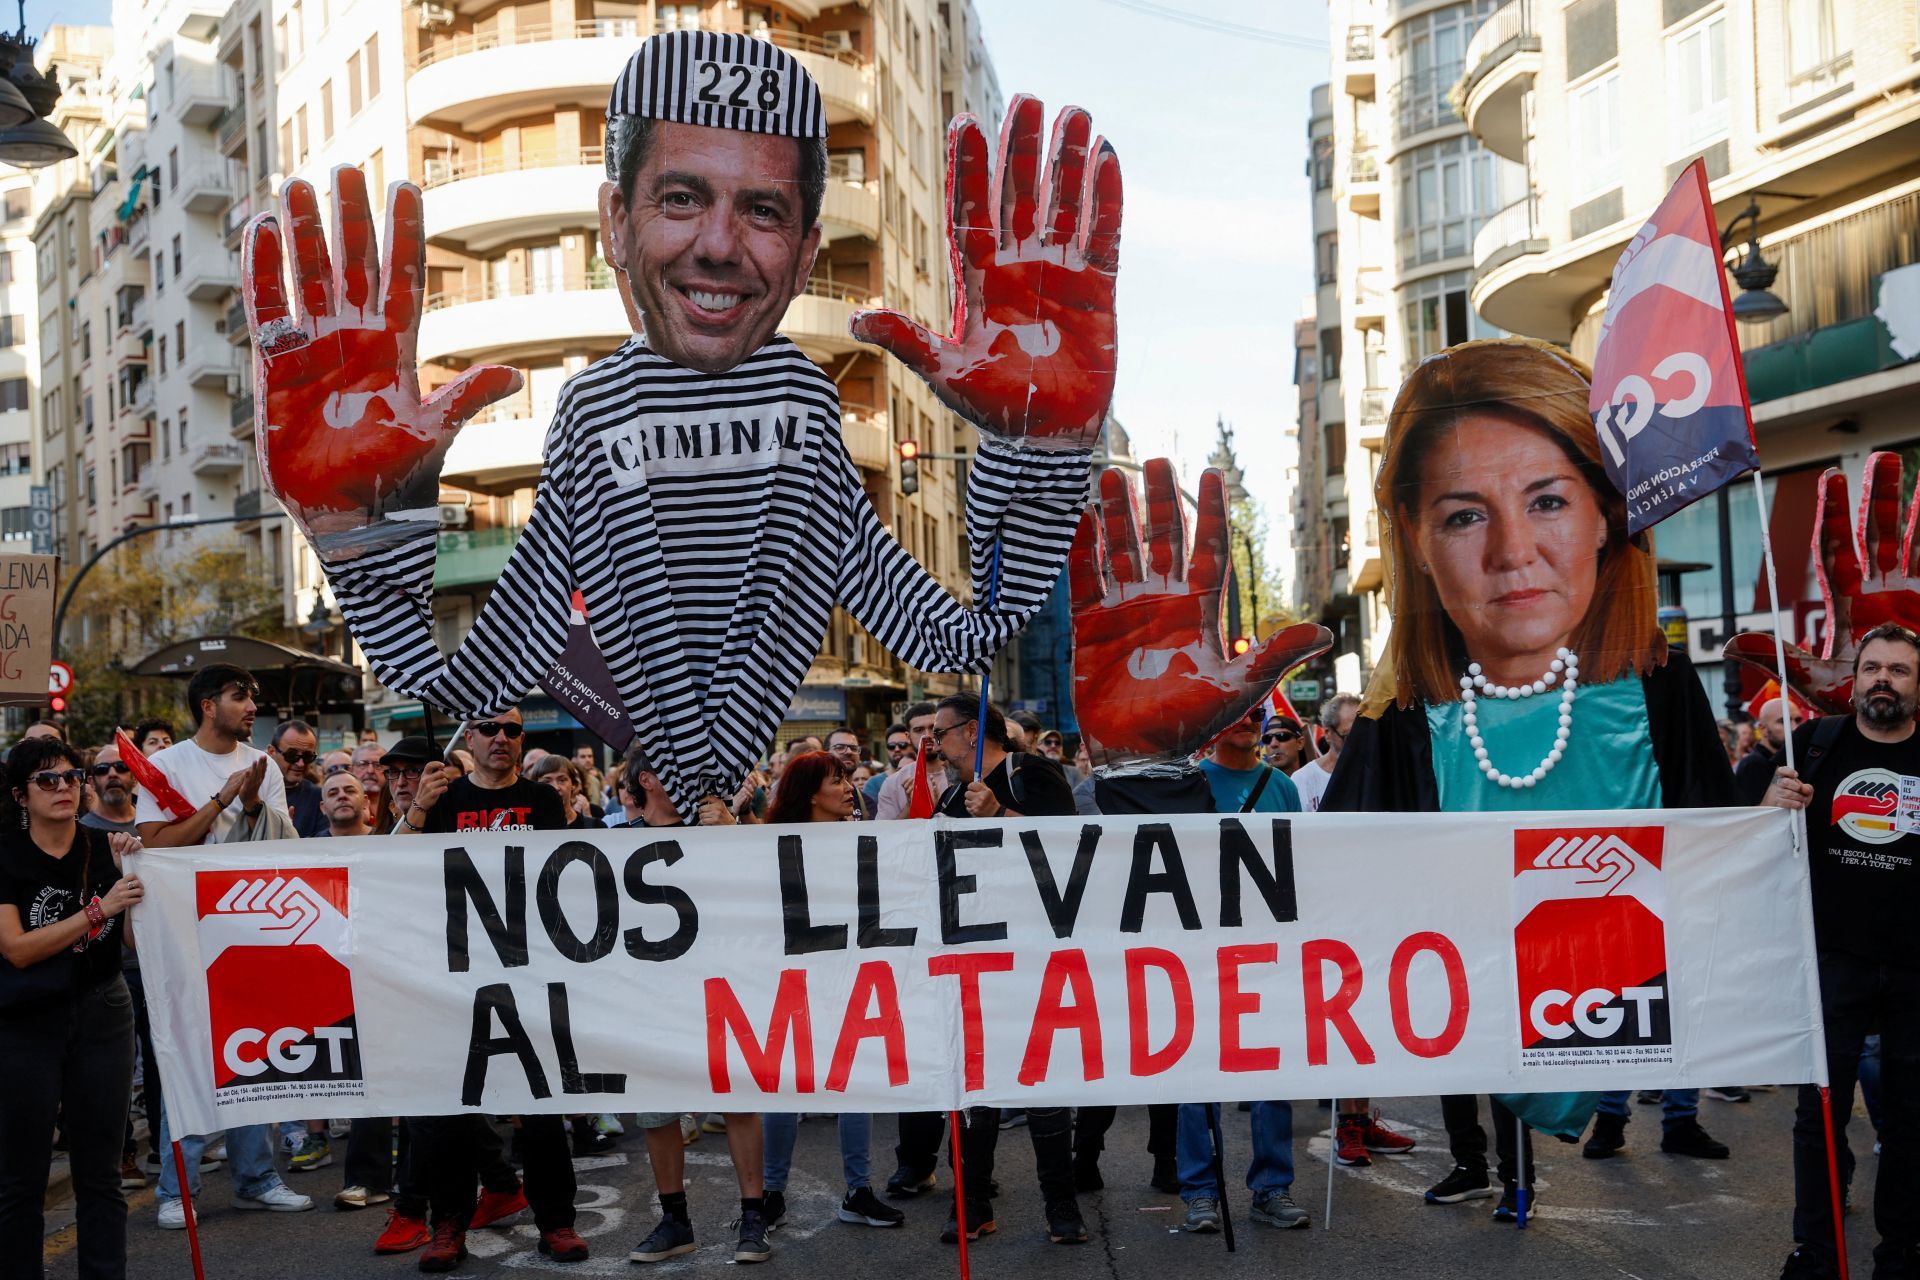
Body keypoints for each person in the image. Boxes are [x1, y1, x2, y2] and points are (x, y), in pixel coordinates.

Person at [245, 31, 1110, 847]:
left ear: (807, 249)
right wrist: (360, 536)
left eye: (763, 210)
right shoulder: (596, 411)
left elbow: (952, 638)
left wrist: (1039, 453)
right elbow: (473, 680)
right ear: (616, 220)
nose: (719, 246)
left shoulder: (804, 406)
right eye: (682, 198)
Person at [1322, 339, 1737, 1222]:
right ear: (1415, 539)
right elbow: (1319, 884)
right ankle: (1491, 1168)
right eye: (1466, 516)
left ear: (1603, 515)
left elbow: (1730, 854)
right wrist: (1149, 770)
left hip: (1618, 1008)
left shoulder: (1657, 689)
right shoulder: (1400, 720)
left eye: (1547, 500)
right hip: (1463, 1006)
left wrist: (1783, 811)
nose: (1515, 552)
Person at [1763, 622, 1920, 1280]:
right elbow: (1747, 840)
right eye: (1872, 667)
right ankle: (1818, 1255)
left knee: (1912, 1123)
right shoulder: (1813, 749)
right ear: (1854, 680)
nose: (1882, 678)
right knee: (1818, 1118)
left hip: (1916, 967)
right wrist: (1771, 803)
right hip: (1830, 960)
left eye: (1900, 669)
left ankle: (1903, 1254)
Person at [132, 664, 314, 1228]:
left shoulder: (264, 766)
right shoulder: (166, 765)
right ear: (208, 705)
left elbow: (281, 851)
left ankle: (255, 1178)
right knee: (186, 1056)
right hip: (184, 933)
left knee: (254, 1054)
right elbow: (155, 843)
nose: (252, 706)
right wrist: (221, 800)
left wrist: (256, 804)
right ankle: (175, 1189)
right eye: (240, 697)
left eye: (252, 697)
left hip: (251, 932)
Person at [403, 708, 584, 1269]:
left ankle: (556, 1222)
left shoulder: (544, 801)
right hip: (457, 972)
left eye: (512, 730)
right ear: (470, 738)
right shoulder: (445, 800)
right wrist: (418, 807)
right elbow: (398, 871)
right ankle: (449, 1224)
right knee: (452, 1106)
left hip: (529, 969)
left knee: (541, 1102)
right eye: (489, 729)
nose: (501, 738)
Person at [929, 694, 1087, 1245]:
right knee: (975, 1092)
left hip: (1035, 954)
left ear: (973, 732)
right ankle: (971, 1204)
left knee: (1043, 1087)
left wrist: (1000, 814)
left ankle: (1061, 1206)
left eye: (942, 734)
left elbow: (1069, 847)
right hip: (973, 960)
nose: (936, 745)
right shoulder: (951, 795)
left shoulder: (1034, 773)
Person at [0, 738, 143, 1280]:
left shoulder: (104, 847)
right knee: (22, 1178)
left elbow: (130, 940)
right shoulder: (6, 854)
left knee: (100, 1173)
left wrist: (133, 881)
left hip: (102, 1010)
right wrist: (96, 910)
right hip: (25, 1021)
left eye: (70, 776)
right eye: (46, 780)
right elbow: (16, 948)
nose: (63, 787)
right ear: (20, 795)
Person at [623, 751, 773, 1267]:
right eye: (676, 769)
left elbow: (762, 882)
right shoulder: (615, 842)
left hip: (720, 991)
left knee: (737, 1102)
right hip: (651, 998)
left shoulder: (717, 829)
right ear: (647, 779)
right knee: (658, 1111)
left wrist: (732, 830)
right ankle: (675, 1221)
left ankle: (754, 1217)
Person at [754, 751, 904, 1231]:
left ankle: (858, 1191)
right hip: (789, 981)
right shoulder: (771, 844)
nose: (847, 786)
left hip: (849, 977)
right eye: (835, 779)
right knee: (786, 1088)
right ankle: (770, 1195)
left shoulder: (863, 840)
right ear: (808, 791)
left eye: (846, 778)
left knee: (853, 1082)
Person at [1198, 706, 1301, 814]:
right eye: (1237, 713)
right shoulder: (1190, 782)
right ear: (1213, 720)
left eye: (1255, 713)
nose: (1247, 721)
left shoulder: (1284, 786)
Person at [875, 702, 945, 820]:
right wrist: (910, 806)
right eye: (919, 730)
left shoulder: (961, 776)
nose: (927, 735)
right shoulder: (892, 784)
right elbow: (885, 834)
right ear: (908, 736)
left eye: (933, 729)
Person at [1291, 693, 1356, 813]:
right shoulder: (1303, 779)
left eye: (1364, 735)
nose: (1358, 742)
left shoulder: (1375, 774)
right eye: (1349, 736)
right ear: (1327, 733)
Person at [269, 719, 329, 838]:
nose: (300, 763)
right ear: (272, 752)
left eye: (307, 757)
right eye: (292, 755)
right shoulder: (254, 792)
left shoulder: (318, 796)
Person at [1734, 696, 1788, 805]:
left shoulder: (1776, 760)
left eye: (1798, 720)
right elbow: (1757, 814)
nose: (1793, 727)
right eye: (1783, 721)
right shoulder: (1753, 764)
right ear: (1763, 729)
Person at [526, 755, 598, 829]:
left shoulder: (595, 826)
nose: (555, 788)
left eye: (562, 780)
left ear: (573, 784)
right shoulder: (526, 827)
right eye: (546, 782)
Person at [825, 728, 871, 818]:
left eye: (853, 748)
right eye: (840, 747)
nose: (849, 752)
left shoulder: (868, 804)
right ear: (825, 753)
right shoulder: (814, 802)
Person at [319, 771, 372, 838]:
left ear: (365, 802)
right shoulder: (310, 845)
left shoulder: (385, 839)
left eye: (350, 791)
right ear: (323, 808)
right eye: (333, 793)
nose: (342, 795)